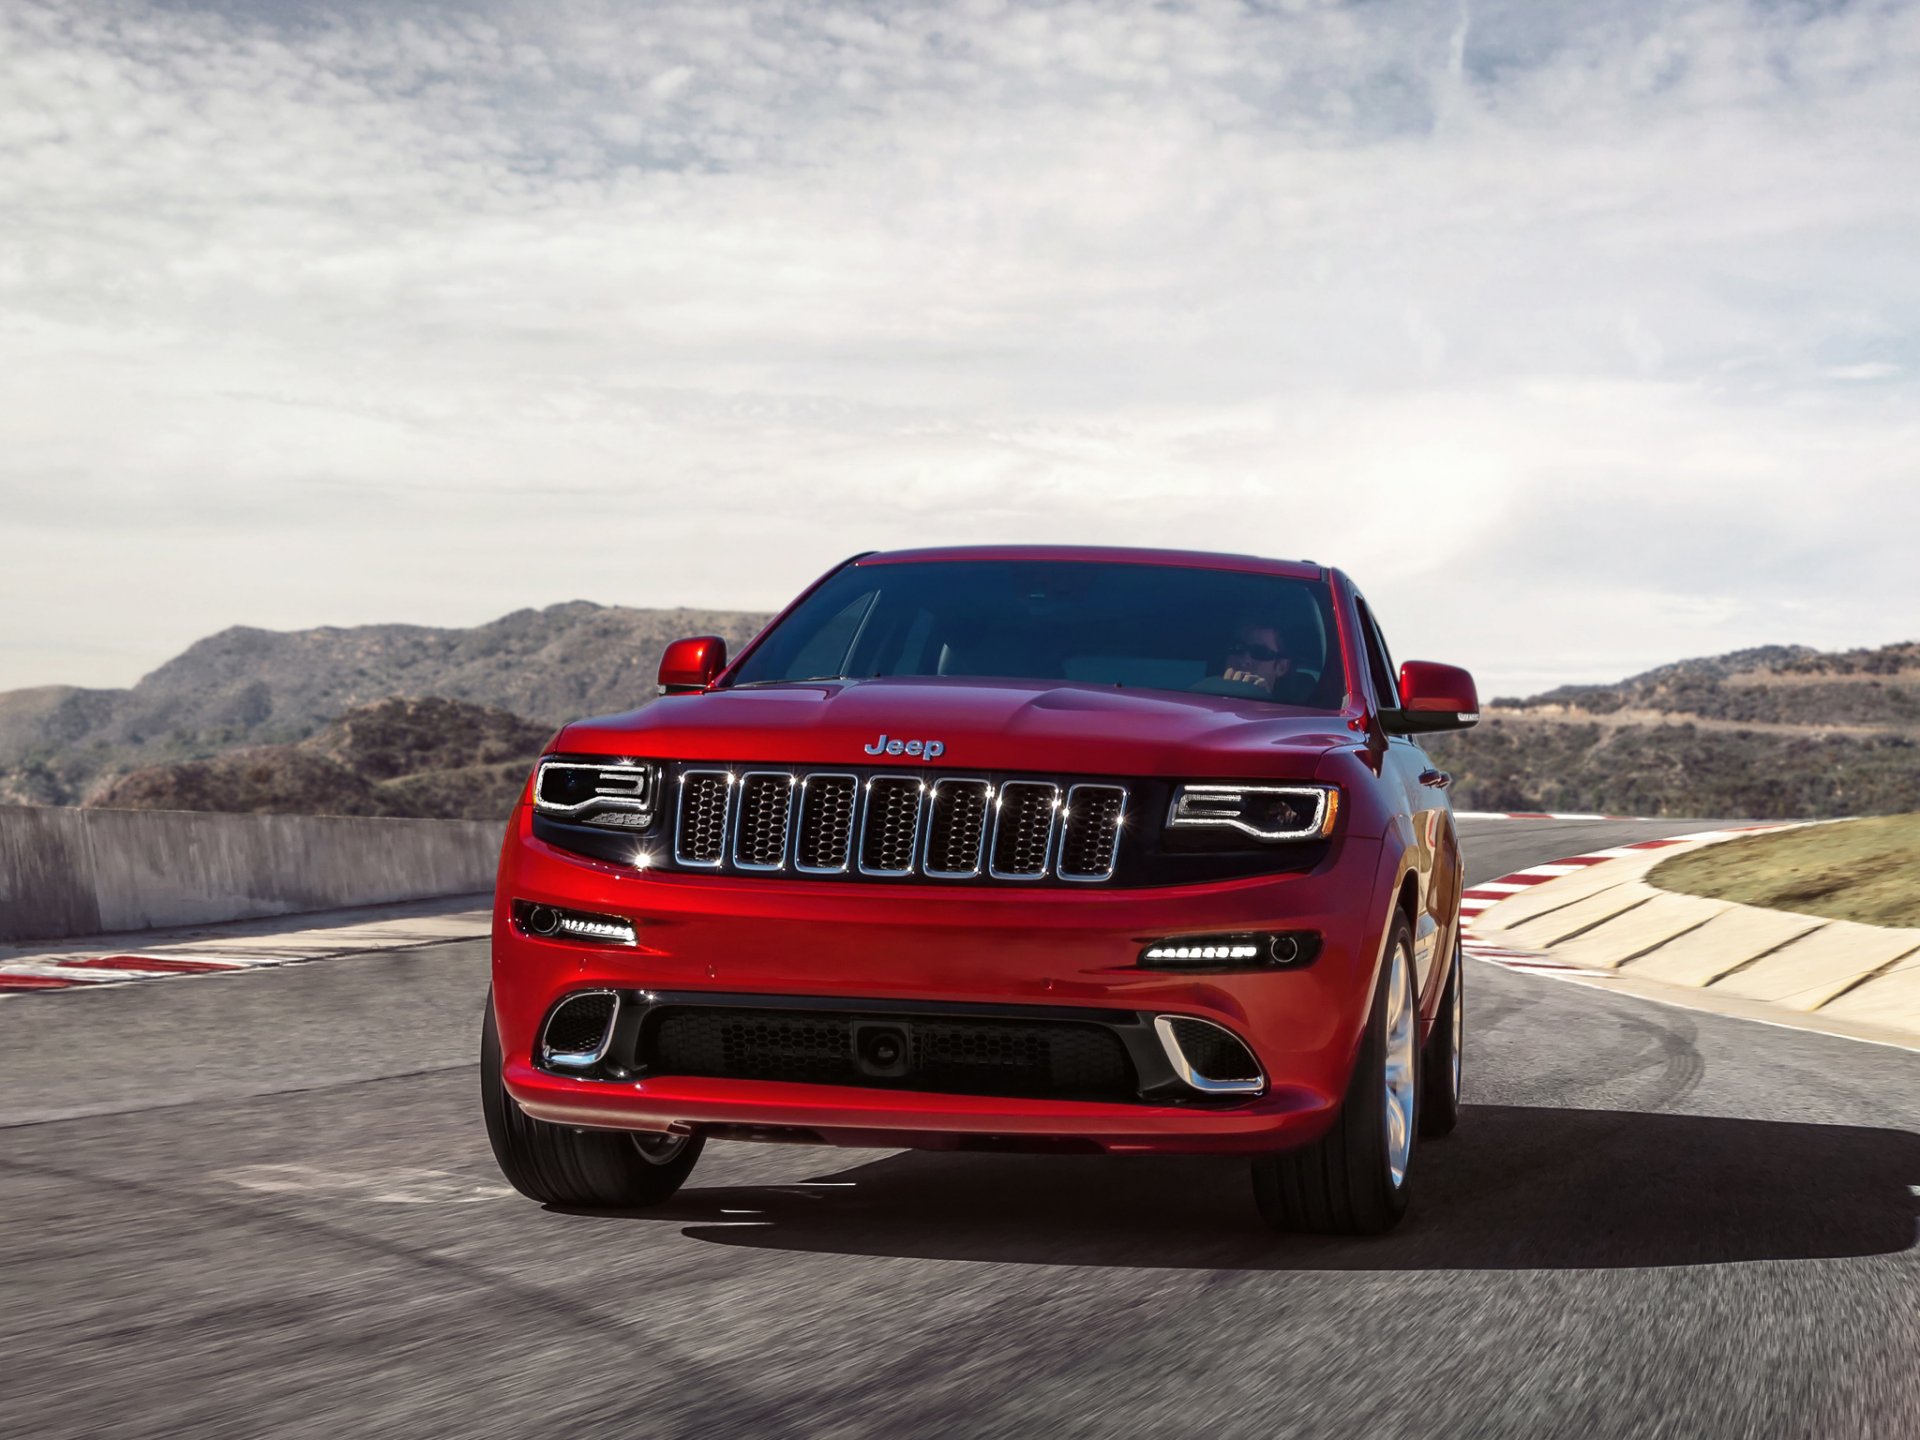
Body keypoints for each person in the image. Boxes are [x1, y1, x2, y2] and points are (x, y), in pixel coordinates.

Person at [1220, 619, 1292, 696]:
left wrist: (1262, 696)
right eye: (1237, 648)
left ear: (1281, 667)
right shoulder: (1206, 694)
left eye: (1260, 652)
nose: (1244, 660)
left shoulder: (1291, 707)